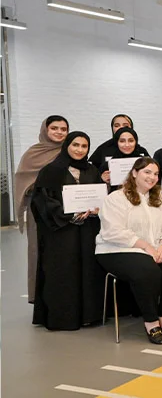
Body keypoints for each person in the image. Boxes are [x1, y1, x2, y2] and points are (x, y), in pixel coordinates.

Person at [95, 157, 162, 345]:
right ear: (134, 173)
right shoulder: (116, 198)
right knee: (148, 270)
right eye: (147, 172)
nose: (152, 177)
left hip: (160, 245)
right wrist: (146, 246)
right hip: (118, 249)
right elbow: (114, 231)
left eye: (156, 174)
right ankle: (151, 320)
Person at [31, 132, 105, 330]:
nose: (80, 150)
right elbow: (43, 201)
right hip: (61, 233)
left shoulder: (91, 170)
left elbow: (100, 197)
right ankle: (63, 318)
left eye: (84, 146)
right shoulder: (51, 171)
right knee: (63, 272)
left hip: (88, 230)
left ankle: (89, 316)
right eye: (75, 145)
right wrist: (68, 216)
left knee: (88, 270)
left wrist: (97, 210)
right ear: (67, 146)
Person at [14, 115, 69, 302]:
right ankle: (39, 297)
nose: (59, 132)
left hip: (65, 210)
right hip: (39, 210)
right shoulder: (33, 153)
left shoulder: (70, 151)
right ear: (45, 130)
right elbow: (22, 178)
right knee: (39, 250)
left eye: (63, 129)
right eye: (54, 128)